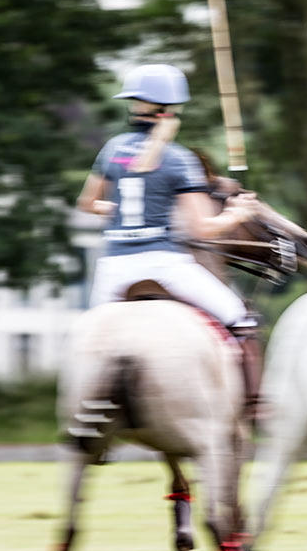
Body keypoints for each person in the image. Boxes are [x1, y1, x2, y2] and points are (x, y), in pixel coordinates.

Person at [76, 64, 262, 412]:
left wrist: (117, 210)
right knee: (240, 318)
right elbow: (202, 229)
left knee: (90, 340)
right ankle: (252, 404)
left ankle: (88, 411)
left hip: (113, 268)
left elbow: (87, 203)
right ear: (172, 109)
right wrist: (238, 214)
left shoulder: (112, 149)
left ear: (136, 106)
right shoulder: (179, 158)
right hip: (163, 264)